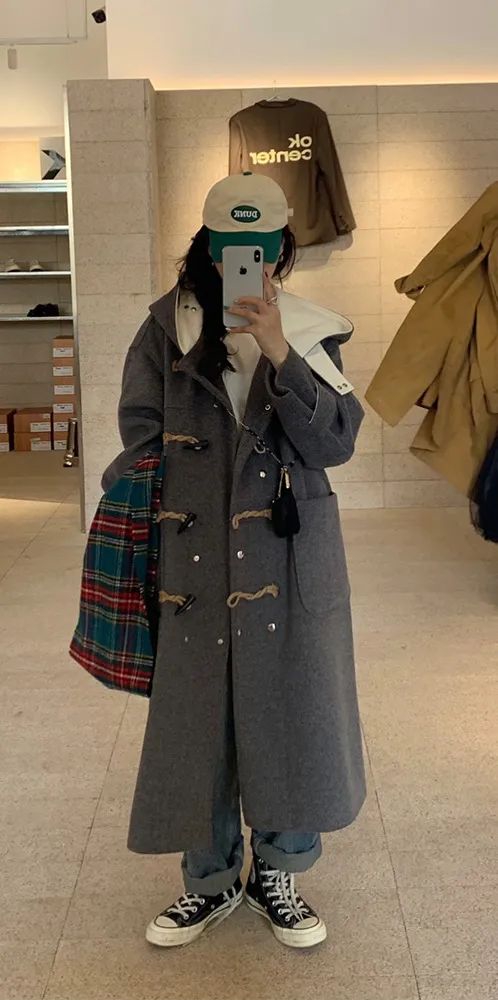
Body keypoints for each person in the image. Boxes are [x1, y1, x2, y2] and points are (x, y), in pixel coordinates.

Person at [102, 172, 366, 950]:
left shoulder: (311, 330)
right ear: (207, 246)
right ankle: (209, 879)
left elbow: (334, 443)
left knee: (290, 704)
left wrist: (280, 350)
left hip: (288, 552)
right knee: (198, 716)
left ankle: (278, 871)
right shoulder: (167, 327)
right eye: (226, 248)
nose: (239, 262)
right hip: (193, 553)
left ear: (280, 249)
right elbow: (140, 433)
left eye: (256, 247)